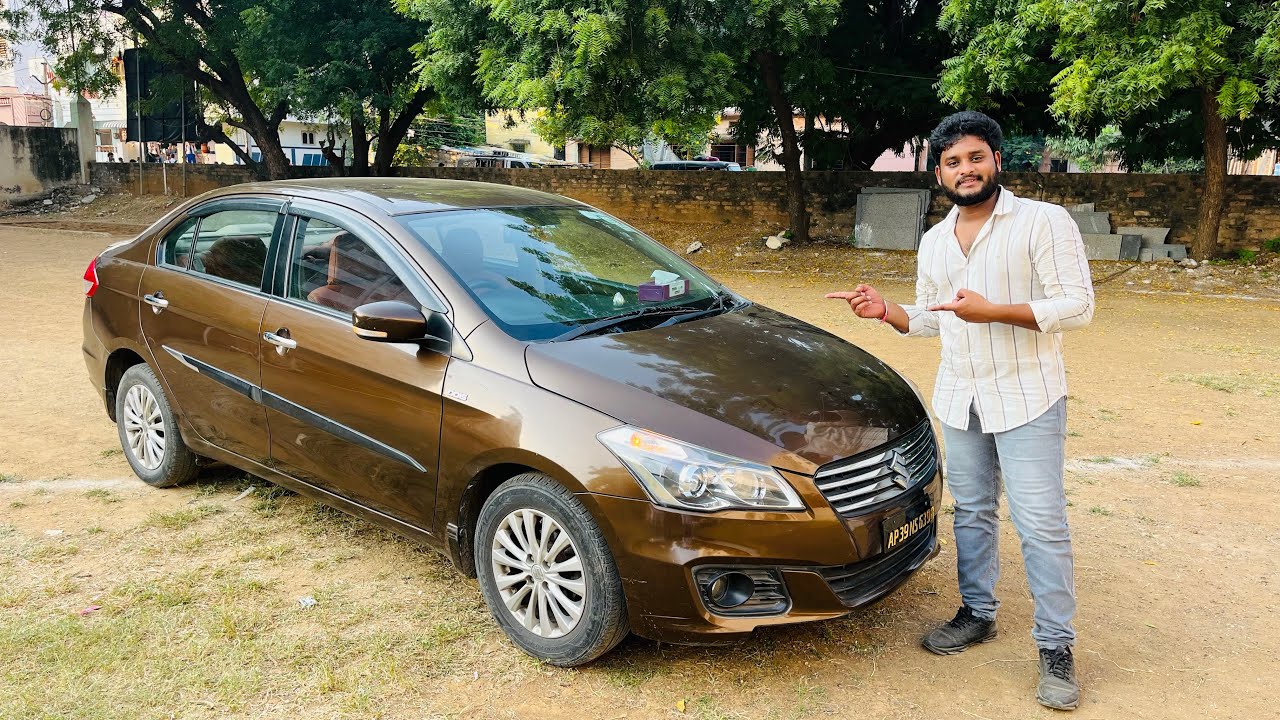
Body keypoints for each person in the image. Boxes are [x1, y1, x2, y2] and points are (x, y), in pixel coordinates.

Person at [826, 110, 1094, 711]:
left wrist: (993, 310)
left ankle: (1056, 648)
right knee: (972, 511)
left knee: (1041, 525)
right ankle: (977, 613)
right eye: (952, 162)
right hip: (961, 397)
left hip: (1027, 396)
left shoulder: (1042, 222)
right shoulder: (934, 240)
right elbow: (931, 317)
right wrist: (886, 311)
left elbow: (1077, 306)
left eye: (975, 157)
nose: (964, 170)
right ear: (939, 173)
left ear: (997, 160)